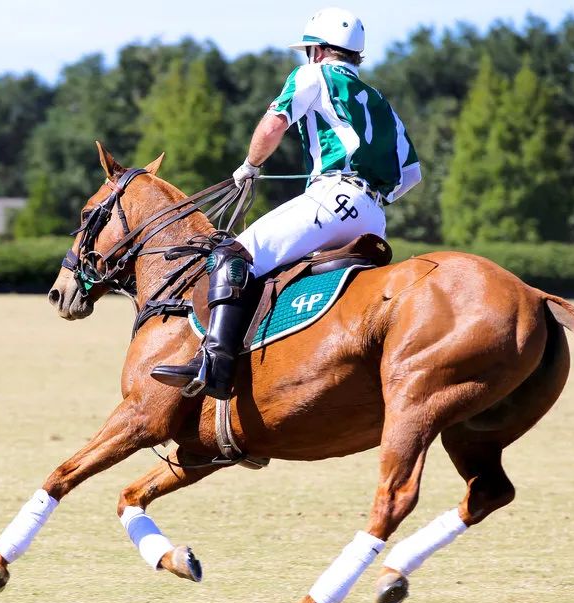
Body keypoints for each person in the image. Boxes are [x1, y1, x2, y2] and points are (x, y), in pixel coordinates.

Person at [151, 7, 422, 400]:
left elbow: (275, 123)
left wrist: (250, 165)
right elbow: (412, 175)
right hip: (373, 217)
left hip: (332, 200)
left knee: (233, 256)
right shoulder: (383, 104)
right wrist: (372, 193)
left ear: (318, 50)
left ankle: (214, 364)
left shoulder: (312, 74)